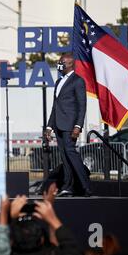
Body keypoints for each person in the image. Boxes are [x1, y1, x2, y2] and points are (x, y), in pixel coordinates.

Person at [45, 53, 91, 197]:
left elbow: (82, 106)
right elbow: (55, 106)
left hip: (70, 126)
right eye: (59, 61)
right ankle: (68, 186)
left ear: (70, 64)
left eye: (62, 62)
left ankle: (86, 186)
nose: (59, 64)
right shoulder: (59, 82)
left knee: (71, 154)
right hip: (58, 125)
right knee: (64, 157)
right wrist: (49, 126)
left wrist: (78, 126)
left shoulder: (78, 81)